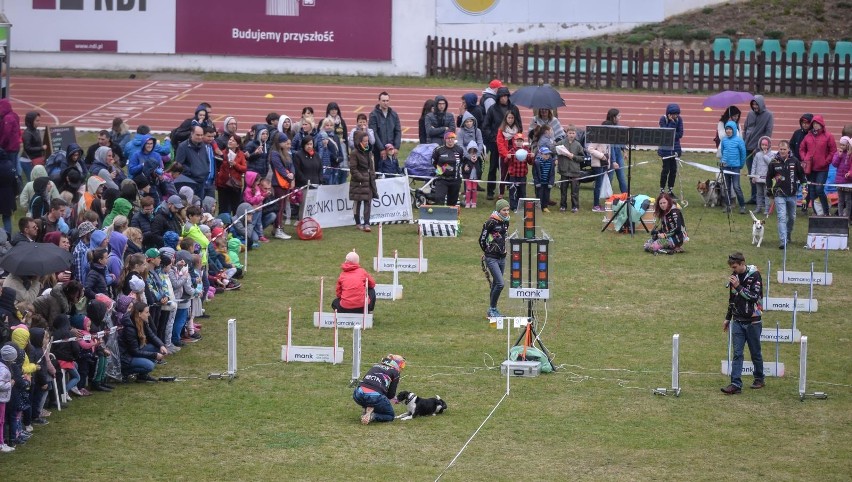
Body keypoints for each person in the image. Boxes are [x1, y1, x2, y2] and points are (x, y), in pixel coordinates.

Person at [721, 252, 764, 395]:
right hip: (738, 320)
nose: (734, 270)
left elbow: (753, 297)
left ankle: (759, 378)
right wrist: (728, 317)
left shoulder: (755, 275)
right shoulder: (734, 278)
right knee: (737, 353)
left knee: (755, 352)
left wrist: (738, 286)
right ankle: (735, 384)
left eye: (735, 267)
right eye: (732, 267)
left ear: (742, 263)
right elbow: (732, 299)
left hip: (753, 321)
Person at [483, 87, 522, 200]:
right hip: (496, 143)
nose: (504, 98)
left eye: (506, 96)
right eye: (502, 96)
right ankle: (490, 191)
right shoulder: (492, 109)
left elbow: (519, 125)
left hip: (511, 144)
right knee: (493, 168)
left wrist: (516, 138)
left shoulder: (514, 109)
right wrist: (493, 137)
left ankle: (510, 190)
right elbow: (486, 126)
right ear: (498, 97)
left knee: (511, 168)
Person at [768, 140, 807, 249]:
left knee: (792, 217)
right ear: (778, 149)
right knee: (781, 217)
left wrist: (805, 187)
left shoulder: (795, 161)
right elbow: (768, 177)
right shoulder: (774, 161)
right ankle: (783, 240)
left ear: (788, 149)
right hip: (779, 194)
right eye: (780, 149)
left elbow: (802, 176)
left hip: (792, 194)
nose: (782, 151)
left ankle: (788, 234)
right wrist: (768, 189)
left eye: (784, 149)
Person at [118, 300, 168, 383]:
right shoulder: (129, 328)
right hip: (126, 357)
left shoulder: (141, 321)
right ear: (139, 314)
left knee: (156, 347)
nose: (149, 314)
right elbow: (134, 352)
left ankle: (142, 376)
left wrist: (161, 345)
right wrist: (154, 355)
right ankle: (124, 372)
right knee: (149, 366)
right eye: (147, 312)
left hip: (133, 352)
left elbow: (151, 335)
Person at [799, 115, 837, 216]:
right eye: (814, 124)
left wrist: (826, 161)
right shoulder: (808, 136)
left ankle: (826, 211)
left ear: (821, 124)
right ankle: (817, 213)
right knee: (811, 191)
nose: (815, 126)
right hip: (810, 168)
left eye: (817, 124)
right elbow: (802, 148)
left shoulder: (828, 136)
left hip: (822, 169)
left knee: (819, 190)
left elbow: (833, 151)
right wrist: (804, 158)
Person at [352, 354, 405, 425]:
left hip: (358, 393)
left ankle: (368, 407)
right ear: (397, 363)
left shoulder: (375, 366)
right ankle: (372, 416)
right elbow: (390, 395)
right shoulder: (395, 373)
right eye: (402, 365)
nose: (402, 368)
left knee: (372, 396)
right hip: (375, 397)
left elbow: (365, 380)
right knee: (390, 416)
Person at [480, 199, 510, 318]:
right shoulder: (491, 222)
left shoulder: (506, 222)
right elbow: (482, 239)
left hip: (502, 257)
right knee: (500, 284)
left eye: (508, 210)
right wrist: (487, 251)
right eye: (504, 210)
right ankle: (492, 309)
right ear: (498, 210)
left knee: (496, 284)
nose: (507, 212)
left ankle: (492, 310)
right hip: (492, 258)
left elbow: (504, 237)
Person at [743, 95, 774, 205]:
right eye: (753, 104)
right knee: (752, 175)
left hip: (759, 151)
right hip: (748, 148)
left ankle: (762, 199)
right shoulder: (750, 114)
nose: (755, 106)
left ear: (761, 104)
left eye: (756, 104)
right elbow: (746, 128)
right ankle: (754, 197)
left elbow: (768, 133)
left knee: (760, 175)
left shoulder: (769, 115)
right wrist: (744, 141)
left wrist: (760, 148)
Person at [349, 131, 377, 232]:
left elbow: (371, 166)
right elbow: (353, 168)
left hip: (368, 180)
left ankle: (367, 223)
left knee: (368, 202)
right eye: (365, 141)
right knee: (358, 202)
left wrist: (372, 176)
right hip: (358, 182)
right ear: (360, 141)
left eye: (367, 141)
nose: (367, 143)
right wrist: (360, 177)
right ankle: (357, 222)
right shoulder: (354, 153)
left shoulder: (369, 152)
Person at [555, 124, 585, 212]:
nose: (571, 135)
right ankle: (563, 205)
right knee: (563, 189)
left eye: (573, 133)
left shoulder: (578, 145)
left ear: (575, 134)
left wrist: (574, 156)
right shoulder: (561, 143)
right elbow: (553, 148)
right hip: (564, 170)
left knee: (574, 190)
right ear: (566, 134)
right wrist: (560, 151)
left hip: (574, 171)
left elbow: (582, 158)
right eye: (570, 133)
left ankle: (575, 206)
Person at [719, 120, 747, 214]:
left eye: (730, 129)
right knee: (726, 187)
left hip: (735, 168)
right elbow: (723, 152)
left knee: (736, 187)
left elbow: (743, 154)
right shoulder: (724, 140)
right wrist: (723, 162)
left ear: (734, 130)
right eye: (726, 129)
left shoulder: (739, 140)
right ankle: (728, 206)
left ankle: (742, 206)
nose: (728, 131)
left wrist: (741, 165)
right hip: (726, 167)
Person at [431, 131, 465, 207]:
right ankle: (439, 216)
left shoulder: (459, 150)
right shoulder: (438, 150)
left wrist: (453, 169)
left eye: (452, 138)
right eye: (448, 138)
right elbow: (433, 162)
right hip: (441, 179)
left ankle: (450, 218)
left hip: (455, 180)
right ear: (445, 139)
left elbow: (462, 162)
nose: (450, 140)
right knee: (439, 199)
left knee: (452, 203)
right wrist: (444, 168)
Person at [174, 126, 209, 198]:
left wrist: (206, 170)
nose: (200, 137)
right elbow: (179, 164)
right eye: (197, 135)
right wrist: (191, 172)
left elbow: (206, 160)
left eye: (201, 135)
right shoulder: (183, 147)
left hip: (202, 181)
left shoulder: (203, 146)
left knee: (199, 203)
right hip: (190, 182)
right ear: (191, 134)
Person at [658, 103, 683, 198]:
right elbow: (665, 133)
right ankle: (662, 190)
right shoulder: (663, 119)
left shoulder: (679, 119)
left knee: (673, 170)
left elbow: (680, 134)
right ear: (669, 114)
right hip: (665, 150)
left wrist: (672, 135)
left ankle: (670, 190)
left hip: (675, 149)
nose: (675, 116)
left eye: (677, 114)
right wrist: (672, 123)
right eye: (673, 114)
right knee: (665, 170)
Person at [368, 91, 401, 162]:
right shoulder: (373, 115)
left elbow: (398, 131)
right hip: (378, 151)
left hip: (391, 150)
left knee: (391, 171)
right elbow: (374, 133)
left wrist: (396, 147)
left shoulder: (394, 114)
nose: (385, 103)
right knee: (378, 171)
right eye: (383, 101)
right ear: (379, 101)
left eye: (387, 101)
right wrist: (381, 149)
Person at [750, 136, 773, 216]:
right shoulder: (757, 155)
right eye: (763, 145)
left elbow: (771, 164)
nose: (764, 147)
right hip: (758, 178)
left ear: (769, 145)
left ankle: (767, 209)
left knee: (766, 194)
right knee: (759, 194)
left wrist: (765, 155)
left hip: (767, 179)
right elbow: (754, 165)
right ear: (760, 145)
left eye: (766, 145)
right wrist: (753, 176)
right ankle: (758, 207)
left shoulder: (771, 154)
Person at [21, 111, 47, 181]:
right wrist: (41, 148)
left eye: (39, 120)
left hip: (35, 160)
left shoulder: (36, 130)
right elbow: (27, 148)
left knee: (38, 180)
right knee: (32, 181)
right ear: (30, 121)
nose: (39, 122)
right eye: (37, 121)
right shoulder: (27, 133)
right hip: (28, 161)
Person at [830, 137, 851, 219]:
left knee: (848, 200)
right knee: (840, 200)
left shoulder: (850, 154)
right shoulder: (837, 153)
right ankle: (840, 216)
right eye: (841, 145)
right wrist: (839, 156)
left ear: (847, 145)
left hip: (848, 182)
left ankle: (847, 217)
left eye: (844, 145)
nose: (842, 146)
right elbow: (834, 164)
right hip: (839, 181)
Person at [532, 146, 555, 212]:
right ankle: (538, 207)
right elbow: (535, 173)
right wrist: (537, 182)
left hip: (547, 182)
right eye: (545, 154)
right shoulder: (537, 162)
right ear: (541, 154)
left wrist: (551, 182)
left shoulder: (551, 162)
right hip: (540, 182)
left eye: (548, 154)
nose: (547, 155)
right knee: (539, 195)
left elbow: (552, 173)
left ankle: (545, 207)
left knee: (546, 195)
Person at [461, 141, 481, 209]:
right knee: (468, 189)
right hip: (468, 176)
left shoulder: (478, 158)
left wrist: (479, 172)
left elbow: (480, 166)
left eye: (474, 150)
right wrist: (464, 167)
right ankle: (467, 202)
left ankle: (474, 202)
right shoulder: (466, 158)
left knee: (474, 189)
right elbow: (462, 165)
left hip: (475, 177)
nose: (472, 152)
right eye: (471, 150)